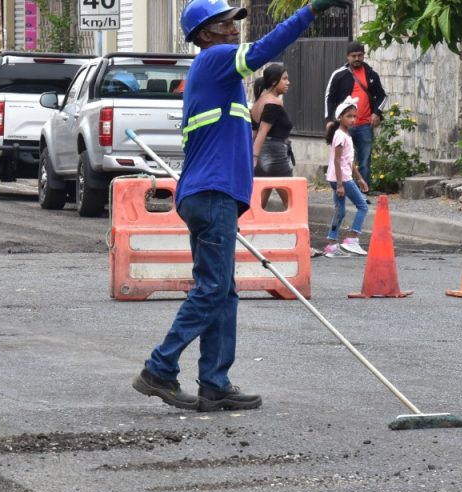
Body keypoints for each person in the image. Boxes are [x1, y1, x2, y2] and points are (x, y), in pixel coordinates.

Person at [131, 0, 349, 413]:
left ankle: (215, 382)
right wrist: (310, 12)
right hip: (211, 195)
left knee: (222, 291)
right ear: (205, 35)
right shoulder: (215, 60)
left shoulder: (220, 79)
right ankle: (159, 368)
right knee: (213, 289)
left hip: (213, 196)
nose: (234, 29)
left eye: (234, 22)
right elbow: (265, 49)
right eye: (225, 23)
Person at [325, 42, 386, 189]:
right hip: (344, 127)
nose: (357, 58)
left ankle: (363, 191)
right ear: (348, 57)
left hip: (365, 125)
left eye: (360, 55)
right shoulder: (339, 75)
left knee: (365, 161)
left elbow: (382, 96)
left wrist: (377, 113)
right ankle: (344, 188)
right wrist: (329, 120)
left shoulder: (371, 74)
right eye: (353, 56)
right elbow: (329, 97)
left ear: (364, 55)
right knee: (343, 159)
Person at [323, 98, 369, 257]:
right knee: (363, 206)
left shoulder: (343, 135)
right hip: (341, 179)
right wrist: (341, 184)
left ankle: (331, 244)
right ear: (339, 117)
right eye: (349, 116)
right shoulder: (340, 136)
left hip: (338, 178)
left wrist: (360, 178)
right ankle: (352, 239)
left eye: (354, 116)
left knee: (340, 211)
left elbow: (348, 161)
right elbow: (337, 160)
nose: (352, 119)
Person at [250, 63, 294, 210]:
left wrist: (253, 157)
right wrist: (254, 157)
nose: (288, 82)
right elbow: (262, 132)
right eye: (285, 79)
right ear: (274, 81)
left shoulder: (259, 101)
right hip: (274, 155)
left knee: (259, 202)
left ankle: (249, 230)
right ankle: (298, 230)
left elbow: (254, 133)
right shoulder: (273, 102)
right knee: (293, 201)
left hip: (263, 156)